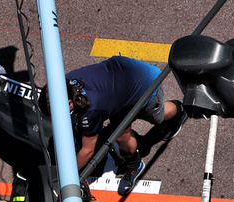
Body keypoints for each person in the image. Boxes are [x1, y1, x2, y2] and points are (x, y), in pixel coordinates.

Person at [58, 56, 186, 190]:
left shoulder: (92, 110)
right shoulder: (66, 82)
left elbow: (87, 151)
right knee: (119, 129)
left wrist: (67, 178)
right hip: (121, 81)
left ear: (69, 102)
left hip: (145, 84)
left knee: (128, 134)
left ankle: (179, 112)